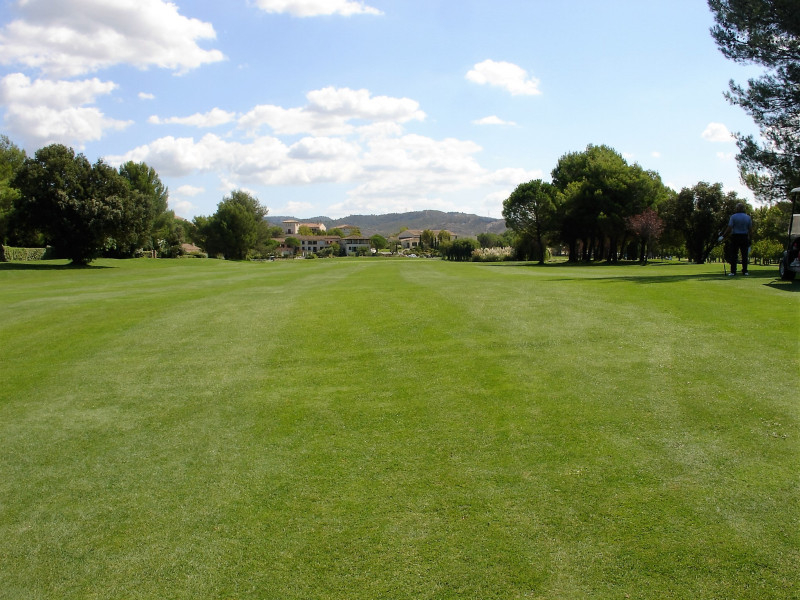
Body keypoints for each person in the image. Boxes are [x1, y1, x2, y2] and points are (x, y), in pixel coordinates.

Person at [720, 203, 753, 276]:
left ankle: (733, 271)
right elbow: (750, 230)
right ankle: (745, 271)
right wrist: (750, 239)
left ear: (737, 209)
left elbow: (729, 228)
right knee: (744, 255)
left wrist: (723, 236)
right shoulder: (748, 217)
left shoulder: (733, 217)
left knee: (734, 255)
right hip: (744, 237)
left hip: (735, 237)